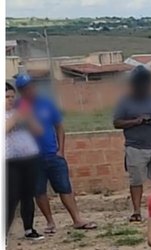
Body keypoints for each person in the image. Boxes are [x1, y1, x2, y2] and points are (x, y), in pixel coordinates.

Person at [14, 74, 96, 233]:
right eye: (25, 88)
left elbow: (59, 126)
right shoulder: (17, 107)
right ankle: (50, 222)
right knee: (39, 191)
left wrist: (61, 150)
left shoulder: (46, 104)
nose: (30, 90)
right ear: (21, 91)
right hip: (31, 157)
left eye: (31, 86)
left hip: (52, 154)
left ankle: (77, 219)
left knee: (65, 188)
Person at [113, 66, 151, 222]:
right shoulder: (124, 101)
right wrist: (135, 122)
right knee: (136, 180)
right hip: (135, 147)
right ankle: (137, 211)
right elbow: (117, 123)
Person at [6, 82, 43, 240]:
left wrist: (29, 117)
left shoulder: (19, 113)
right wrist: (15, 117)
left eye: (12, 97)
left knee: (28, 195)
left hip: (28, 158)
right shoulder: (11, 115)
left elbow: (38, 130)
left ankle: (29, 229)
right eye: (6, 97)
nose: (9, 100)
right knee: (11, 198)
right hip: (9, 161)